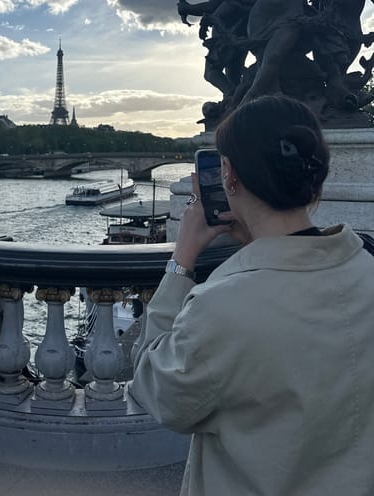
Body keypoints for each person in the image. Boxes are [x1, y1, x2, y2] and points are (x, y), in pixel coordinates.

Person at [130, 95, 374, 496]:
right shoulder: (366, 266)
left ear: (228, 174)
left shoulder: (221, 309)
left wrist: (181, 261)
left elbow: (155, 391)